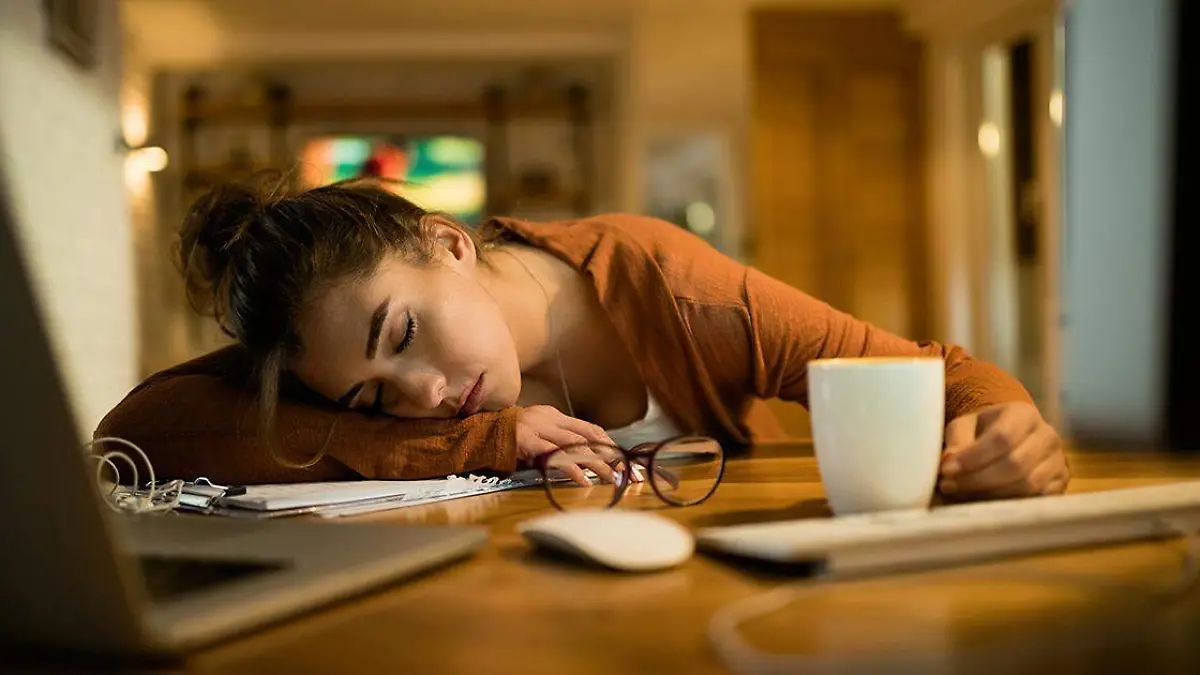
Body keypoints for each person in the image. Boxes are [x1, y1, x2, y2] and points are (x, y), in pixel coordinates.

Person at [96, 174, 1069, 499]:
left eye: (405, 335)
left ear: (447, 245)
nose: (421, 394)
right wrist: (475, 441)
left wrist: (1010, 427)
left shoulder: (667, 285)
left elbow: (939, 374)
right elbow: (134, 437)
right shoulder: (346, 358)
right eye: (372, 396)